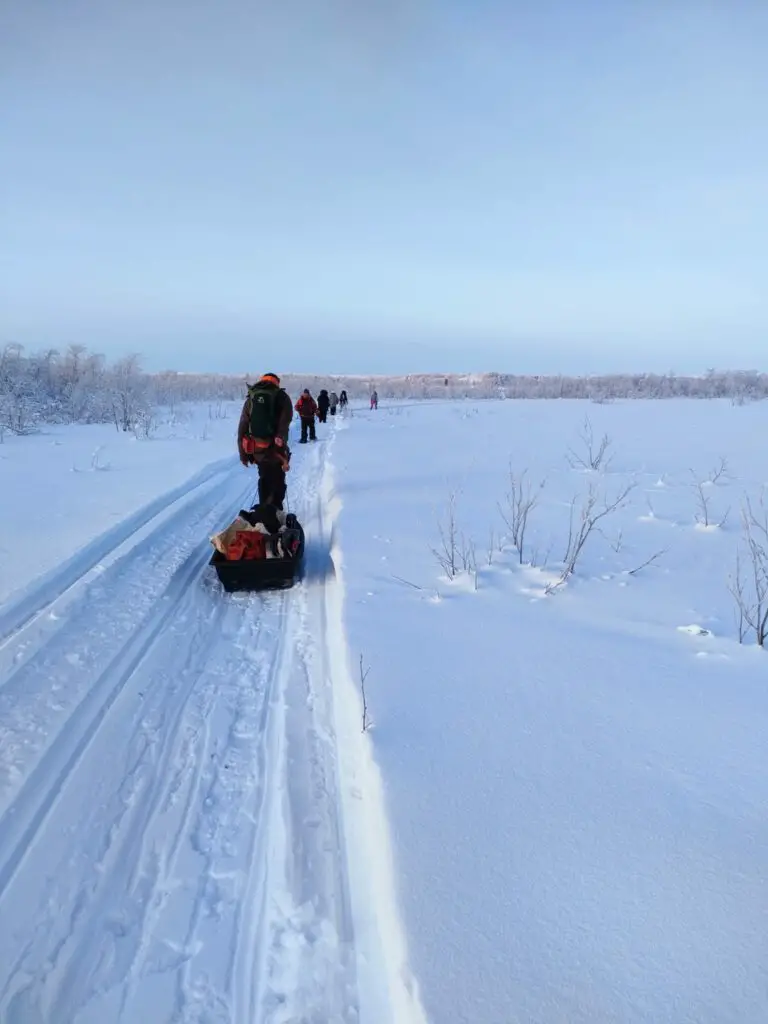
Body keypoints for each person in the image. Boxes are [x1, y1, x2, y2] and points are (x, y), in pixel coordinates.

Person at [237, 372, 293, 510]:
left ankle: (265, 509)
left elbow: (243, 426)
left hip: (257, 449)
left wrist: (242, 453)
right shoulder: (282, 397)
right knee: (277, 479)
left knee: (264, 477)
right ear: (277, 382)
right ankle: (275, 513)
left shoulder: (251, 397)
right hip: (276, 448)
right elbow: (285, 421)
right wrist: (280, 439)